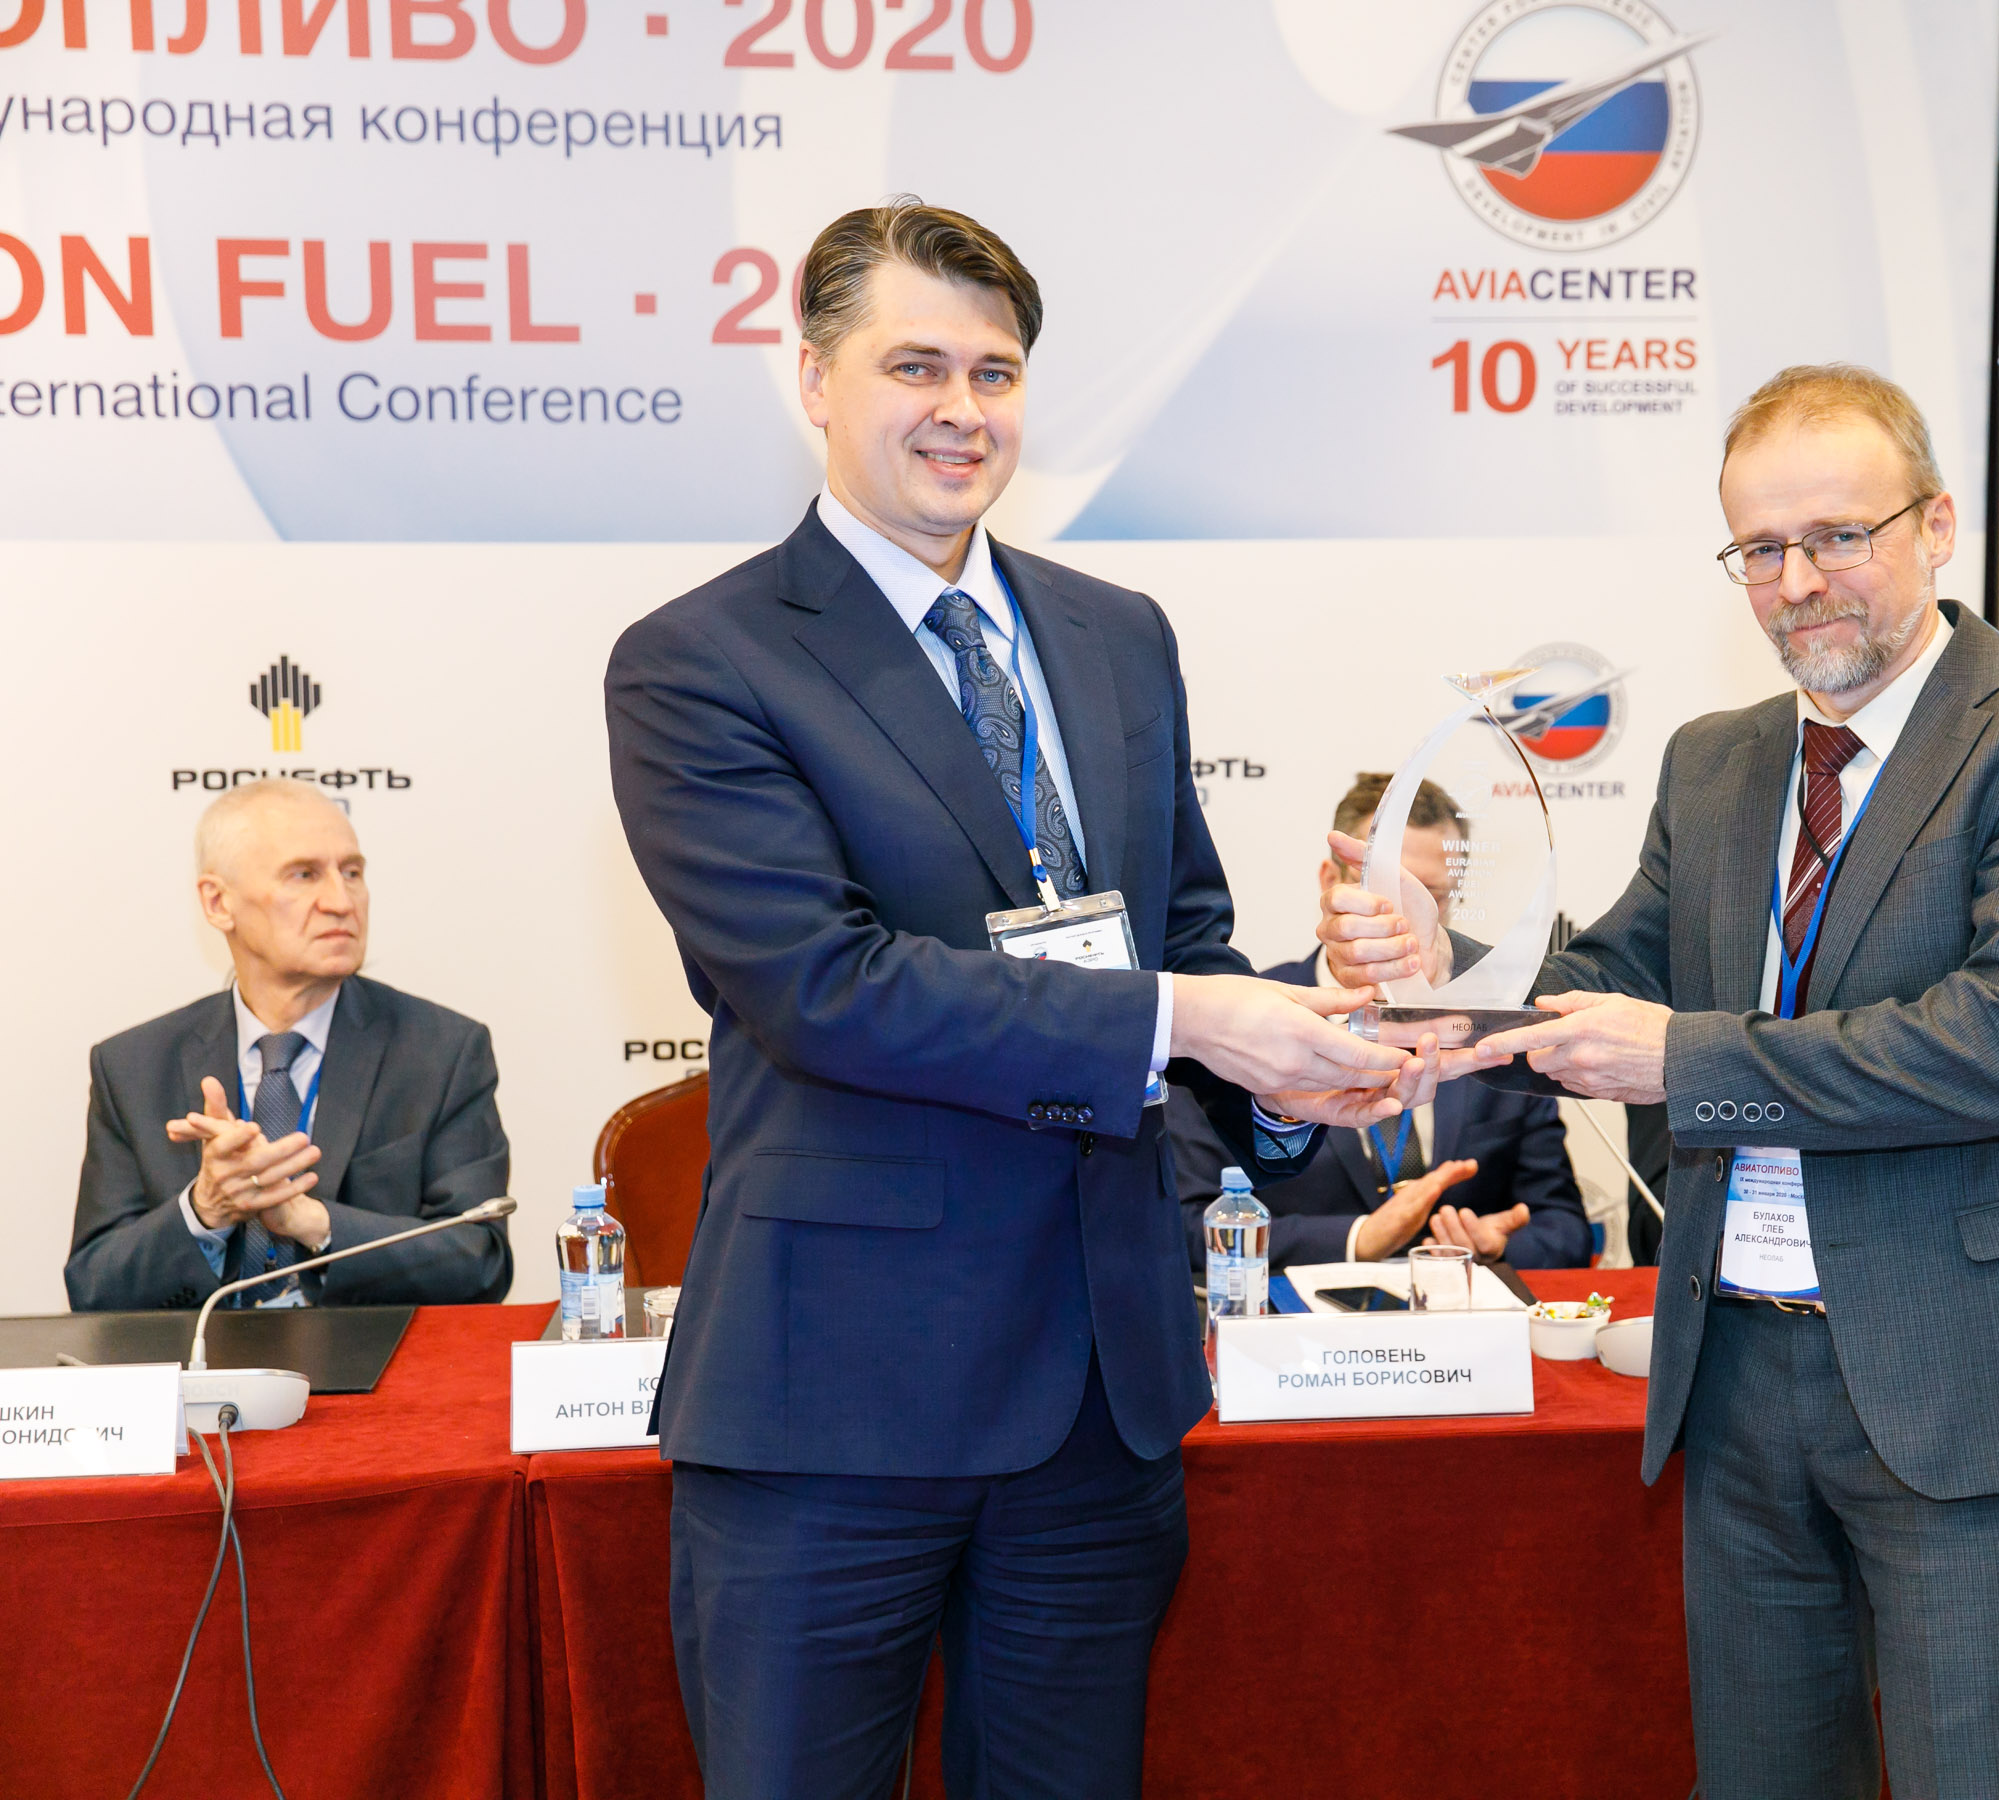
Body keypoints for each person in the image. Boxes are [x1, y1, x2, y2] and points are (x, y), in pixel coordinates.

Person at [604, 198, 1434, 1800]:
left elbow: (1182, 939)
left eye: (995, 373)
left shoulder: (1118, 637)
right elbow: (824, 988)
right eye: (915, 366)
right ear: (815, 380)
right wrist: (1189, 1021)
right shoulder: (702, 660)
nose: (963, 410)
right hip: (834, 1405)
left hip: (1100, 1400)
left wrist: (1298, 1060)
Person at [1322, 364, 1999, 1798]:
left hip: (1955, 1368)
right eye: (1761, 549)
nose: (1798, 582)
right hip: (1731, 1372)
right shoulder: (1717, 762)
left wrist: (1681, 1057)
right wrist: (1441, 974)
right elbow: (1613, 976)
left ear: (1937, 524)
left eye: (1839, 535)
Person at [66, 778, 513, 1311]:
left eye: (352, 872)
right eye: (304, 875)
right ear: (218, 902)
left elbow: (480, 1261)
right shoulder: (133, 1067)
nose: (341, 901)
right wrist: (205, 1210)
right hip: (201, 1361)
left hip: (369, 1361)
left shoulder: (442, 1051)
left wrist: (312, 1222)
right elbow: (93, 1287)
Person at [1170, 772, 1590, 1273]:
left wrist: (1494, 1247)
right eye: (1385, 894)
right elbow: (1186, 1226)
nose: (1404, 923)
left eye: (1431, 897)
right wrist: (1358, 1240)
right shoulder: (1246, 1015)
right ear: (1330, 882)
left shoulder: (1492, 1027)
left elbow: (1565, 1229)